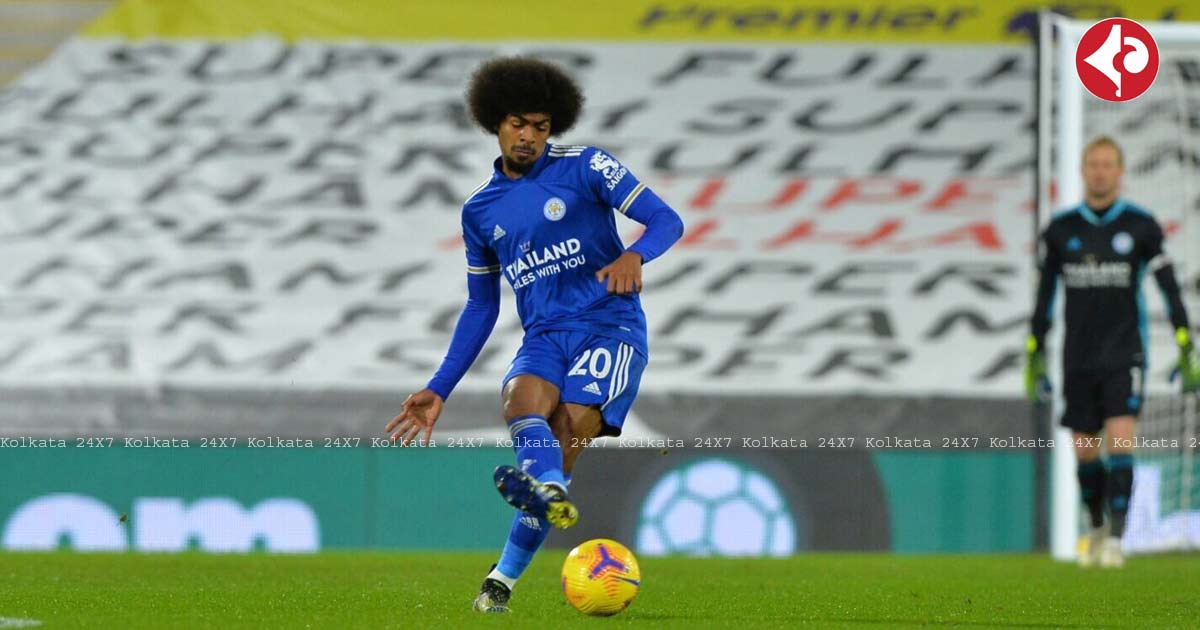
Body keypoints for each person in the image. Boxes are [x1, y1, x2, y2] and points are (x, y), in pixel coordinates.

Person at [385, 57, 684, 612]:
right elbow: (481, 306)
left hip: (609, 328)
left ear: (554, 127)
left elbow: (667, 220)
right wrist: (439, 387)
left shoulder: (588, 166)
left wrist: (635, 255)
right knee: (520, 401)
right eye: (518, 123)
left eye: (541, 126)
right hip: (544, 335)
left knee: (566, 431)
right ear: (495, 122)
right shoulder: (480, 210)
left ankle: (508, 568)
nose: (528, 136)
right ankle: (539, 510)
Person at [1026, 135, 1200, 568]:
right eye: (1094, 164)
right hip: (1078, 358)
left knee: (1121, 441)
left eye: (1108, 164)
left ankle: (1118, 540)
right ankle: (1098, 524)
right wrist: (1035, 351)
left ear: (1120, 172)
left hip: (1125, 355)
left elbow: (1169, 288)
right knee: (1085, 451)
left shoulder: (1140, 226)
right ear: (1084, 170)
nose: (1100, 171)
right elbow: (1045, 297)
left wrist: (1185, 342)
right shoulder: (1062, 231)